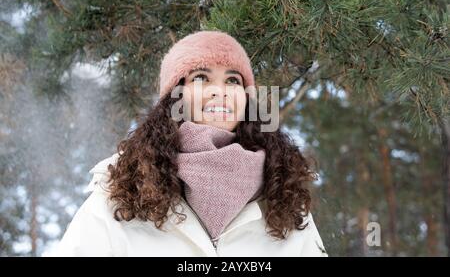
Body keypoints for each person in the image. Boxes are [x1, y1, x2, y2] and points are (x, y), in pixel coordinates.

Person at [46, 30, 328, 257]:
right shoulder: (121, 189)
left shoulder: (284, 193)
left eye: (232, 80)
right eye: (202, 78)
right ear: (175, 96)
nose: (220, 91)